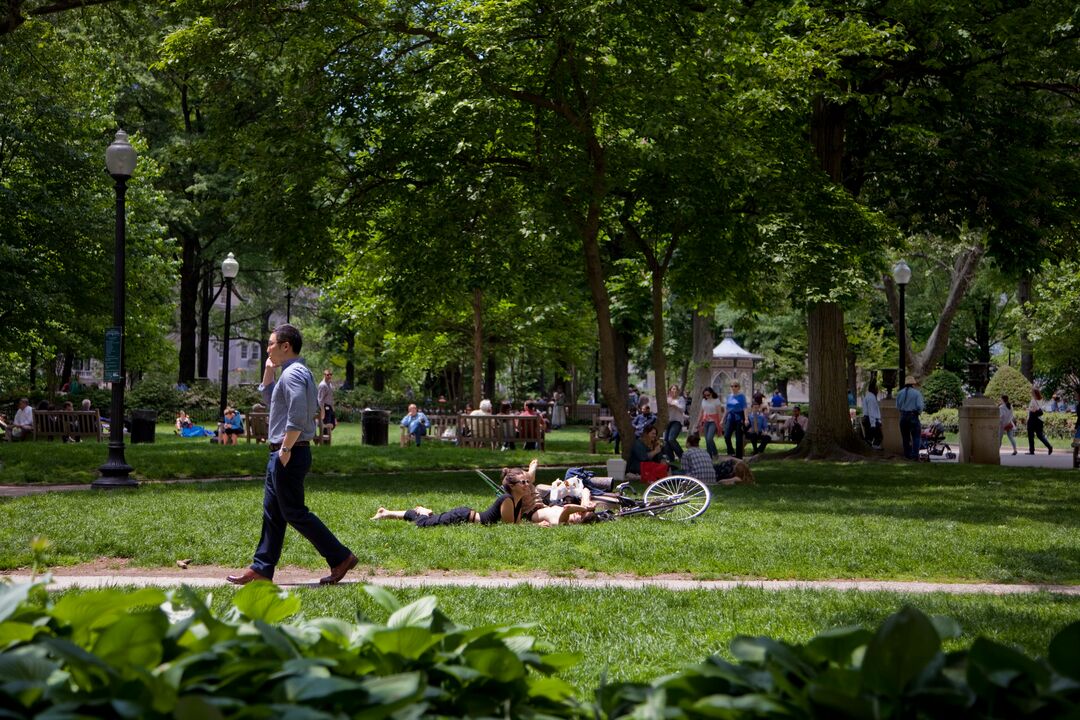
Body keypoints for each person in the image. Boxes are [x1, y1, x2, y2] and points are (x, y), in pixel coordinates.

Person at [227, 323, 357, 586]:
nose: (267, 348)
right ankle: (262, 569)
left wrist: (285, 449)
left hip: (289, 452)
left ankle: (340, 557)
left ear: (286, 346)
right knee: (273, 514)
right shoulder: (291, 373)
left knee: (294, 512)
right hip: (284, 452)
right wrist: (267, 371)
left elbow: (298, 414)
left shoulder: (294, 374)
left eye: (271, 343)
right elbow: (273, 401)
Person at [895, 377, 924, 460]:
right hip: (913, 416)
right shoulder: (917, 393)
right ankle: (915, 456)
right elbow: (920, 406)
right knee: (916, 436)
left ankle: (907, 455)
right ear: (913, 384)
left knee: (905, 437)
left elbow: (897, 406)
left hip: (903, 416)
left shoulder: (899, 393)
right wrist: (918, 412)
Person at [723, 381, 748, 458]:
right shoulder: (729, 396)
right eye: (732, 386)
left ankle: (739, 456)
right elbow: (727, 409)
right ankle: (731, 451)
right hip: (730, 416)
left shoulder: (742, 396)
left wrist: (746, 419)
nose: (733, 387)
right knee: (726, 435)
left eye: (735, 386)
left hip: (739, 417)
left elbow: (745, 408)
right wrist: (722, 419)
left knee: (738, 438)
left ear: (739, 387)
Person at [1027, 387, 1053, 455]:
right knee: (1040, 435)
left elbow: (1033, 410)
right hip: (1039, 420)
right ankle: (1049, 446)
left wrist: (1030, 409)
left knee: (1031, 436)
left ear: (1034, 393)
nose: (1031, 393)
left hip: (1032, 419)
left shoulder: (1033, 400)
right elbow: (1041, 409)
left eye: (1032, 392)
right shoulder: (1042, 400)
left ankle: (1032, 451)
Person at [664, 385, 686, 461]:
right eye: (673, 389)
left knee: (671, 439)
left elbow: (683, 409)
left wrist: (674, 405)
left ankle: (682, 456)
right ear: (670, 390)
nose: (674, 391)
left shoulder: (681, 399)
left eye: (676, 389)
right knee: (665, 440)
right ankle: (670, 458)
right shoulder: (667, 399)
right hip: (668, 421)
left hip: (677, 421)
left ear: (678, 391)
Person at [862, 379, 882, 449]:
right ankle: (874, 449)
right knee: (878, 437)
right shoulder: (871, 398)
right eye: (876, 388)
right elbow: (871, 411)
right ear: (873, 389)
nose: (877, 390)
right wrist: (873, 424)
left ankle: (870, 448)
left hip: (868, 419)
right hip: (870, 420)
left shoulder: (869, 397)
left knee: (869, 438)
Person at [318, 369, 337, 441]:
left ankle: (324, 439)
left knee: (333, 424)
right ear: (324, 375)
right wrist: (322, 410)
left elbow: (331, 398)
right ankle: (324, 442)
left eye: (330, 374)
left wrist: (333, 409)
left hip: (330, 406)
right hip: (325, 407)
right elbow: (320, 399)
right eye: (327, 375)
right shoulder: (323, 385)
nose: (329, 376)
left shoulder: (330, 384)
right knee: (327, 424)